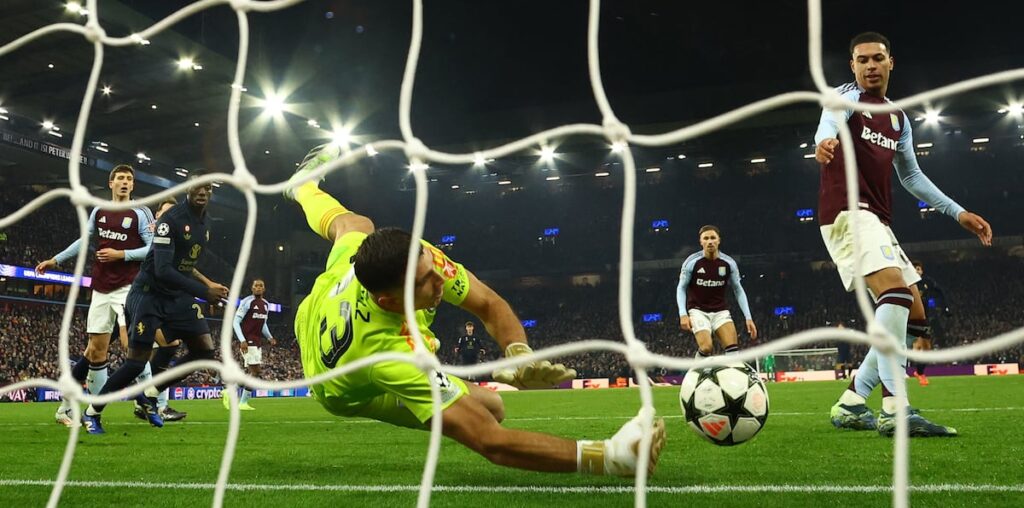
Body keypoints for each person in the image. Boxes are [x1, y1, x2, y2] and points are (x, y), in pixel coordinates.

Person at [286, 143, 666, 476]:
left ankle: (302, 186)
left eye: (431, 268)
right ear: (389, 301)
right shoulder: (391, 358)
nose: (439, 282)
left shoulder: (401, 258)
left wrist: (519, 353)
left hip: (322, 306)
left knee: (355, 223)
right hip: (340, 384)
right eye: (423, 283)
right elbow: (491, 443)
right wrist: (606, 456)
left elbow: (488, 303)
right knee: (485, 417)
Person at [814, 32, 992, 437]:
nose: (870, 66)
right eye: (862, 60)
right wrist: (823, 143)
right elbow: (828, 124)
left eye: (878, 58)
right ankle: (896, 409)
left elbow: (911, 175)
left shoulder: (898, 118)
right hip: (846, 211)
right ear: (852, 66)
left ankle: (853, 400)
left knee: (914, 313)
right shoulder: (844, 98)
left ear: (891, 62)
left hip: (876, 218)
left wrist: (957, 211)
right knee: (893, 292)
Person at [81, 174, 229, 434]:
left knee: (204, 351)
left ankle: (148, 395)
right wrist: (203, 292)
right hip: (148, 295)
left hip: (177, 297)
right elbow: (162, 269)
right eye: (197, 186)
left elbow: (186, 265)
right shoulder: (169, 221)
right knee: (136, 362)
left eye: (207, 187)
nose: (202, 191)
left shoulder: (205, 222)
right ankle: (93, 412)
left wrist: (207, 284)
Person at [36, 164, 154, 426]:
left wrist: (121, 254)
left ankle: (145, 401)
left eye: (129, 179)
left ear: (133, 186)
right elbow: (85, 240)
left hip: (128, 288)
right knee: (95, 352)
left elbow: (152, 248)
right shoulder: (99, 211)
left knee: (130, 345)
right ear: (110, 183)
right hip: (100, 288)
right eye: (120, 178)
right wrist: (56, 260)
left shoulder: (141, 212)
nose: (124, 182)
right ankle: (71, 410)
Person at [132, 197, 189, 422]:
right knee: (163, 347)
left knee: (159, 349)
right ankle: (153, 403)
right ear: (157, 215)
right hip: (140, 297)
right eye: (166, 212)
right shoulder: (152, 233)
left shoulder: (174, 238)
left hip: (160, 298)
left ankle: (145, 402)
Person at [676, 225, 757, 358]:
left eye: (713, 238)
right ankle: (696, 372)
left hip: (720, 311)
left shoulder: (728, 263)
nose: (710, 241)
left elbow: (738, 289)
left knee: (733, 351)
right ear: (701, 242)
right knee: (707, 347)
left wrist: (748, 317)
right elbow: (681, 288)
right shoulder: (692, 262)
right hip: (698, 311)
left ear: (719, 240)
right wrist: (683, 314)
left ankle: (731, 378)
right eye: (706, 238)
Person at [223, 278, 277, 410]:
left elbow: (263, 323)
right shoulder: (247, 302)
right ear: (252, 288)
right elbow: (235, 321)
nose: (258, 288)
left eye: (261, 286)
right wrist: (242, 340)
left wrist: (269, 337)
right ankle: (242, 402)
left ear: (264, 289)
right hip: (248, 341)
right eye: (256, 286)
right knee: (256, 372)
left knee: (251, 373)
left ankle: (230, 392)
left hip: (257, 342)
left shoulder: (265, 304)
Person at [909, 260, 951, 386]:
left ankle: (919, 372)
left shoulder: (927, 282)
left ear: (922, 271)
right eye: (914, 268)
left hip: (923, 319)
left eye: (919, 268)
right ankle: (902, 374)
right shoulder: (906, 282)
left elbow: (940, 292)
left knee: (927, 348)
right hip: (907, 318)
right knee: (914, 345)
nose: (917, 271)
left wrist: (945, 307)